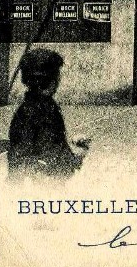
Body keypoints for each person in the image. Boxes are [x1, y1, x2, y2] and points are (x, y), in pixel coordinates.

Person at [7, 49, 89, 182]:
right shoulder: (45, 112)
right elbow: (51, 163)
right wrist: (79, 153)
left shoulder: (27, 110)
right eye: (57, 74)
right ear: (52, 79)